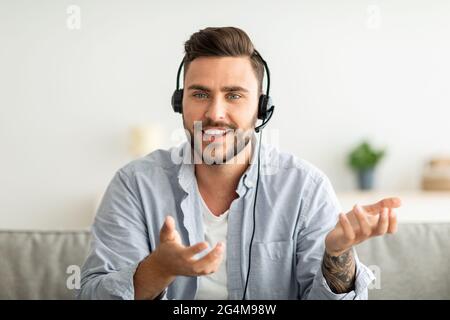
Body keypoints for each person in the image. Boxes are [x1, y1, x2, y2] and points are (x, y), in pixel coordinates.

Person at [77, 26, 401, 300]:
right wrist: (158, 270)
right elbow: (92, 293)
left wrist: (337, 254)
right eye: (200, 94)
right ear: (181, 102)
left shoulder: (305, 189)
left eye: (234, 95)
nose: (215, 113)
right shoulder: (134, 185)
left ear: (261, 109)